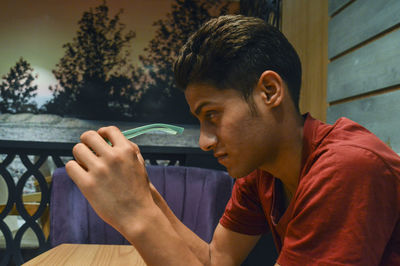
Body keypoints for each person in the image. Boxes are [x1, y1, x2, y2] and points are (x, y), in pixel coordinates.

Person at [66, 15, 400, 265]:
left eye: (212, 114)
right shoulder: (262, 171)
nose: (205, 142)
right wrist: (144, 193)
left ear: (269, 91)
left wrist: (135, 214)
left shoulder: (347, 167)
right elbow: (215, 260)